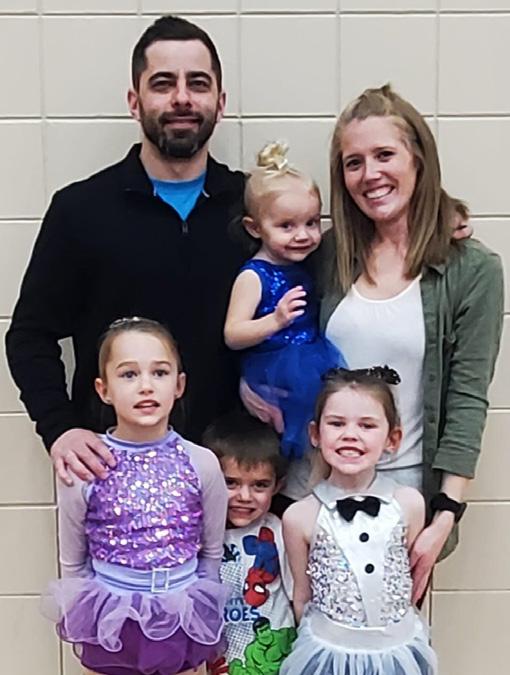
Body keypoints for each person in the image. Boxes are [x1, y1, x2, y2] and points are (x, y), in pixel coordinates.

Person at [5, 15, 246, 486]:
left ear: (220, 103)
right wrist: (60, 428)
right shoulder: (80, 210)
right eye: (163, 83)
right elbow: (30, 336)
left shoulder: (255, 210)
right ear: (135, 102)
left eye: (198, 83)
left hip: (237, 479)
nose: (181, 98)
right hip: (114, 479)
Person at [321, 84, 504, 601]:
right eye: (353, 163)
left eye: (385, 155)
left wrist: (445, 513)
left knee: (387, 640)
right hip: (314, 492)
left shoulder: (472, 269)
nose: (370, 174)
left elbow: (468, 398)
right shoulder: (328, 254)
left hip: (404, 503)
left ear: (418, 159)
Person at [41, 317, 229, 675]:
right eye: (128, 374)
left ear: (179, 384)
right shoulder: (86, 467)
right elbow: (73, 561)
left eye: (160, 373)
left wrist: (199, 603)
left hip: (180, 617)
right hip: (112, 619)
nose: (146, 386)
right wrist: (87, 614)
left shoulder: (202, 463)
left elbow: (211, 551)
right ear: (104, 390)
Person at [281, 367, 437, 675]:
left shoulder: (409, 504)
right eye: (336, 423)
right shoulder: (299, 516)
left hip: (397, 656)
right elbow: (302, 596)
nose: (350, 434)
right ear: (315, 434)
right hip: (328, 657)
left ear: (392, 438)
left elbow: (407, 581)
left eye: (367, 425)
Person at [224, 142, 345, 459]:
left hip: (313, 357)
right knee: (285, 442)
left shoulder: (306, 263)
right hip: (275, 367)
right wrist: (274, 320)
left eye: (312, 222)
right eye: (286, 226)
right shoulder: (254, 276)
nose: (303, 235)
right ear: (254, 228)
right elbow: (233, 334)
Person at [203, 411, 296, 675]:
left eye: (260, 485)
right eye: (231, 483)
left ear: (278, 486)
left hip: (274, 664)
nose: (244, 496)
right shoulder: (197, 534)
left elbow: (299, 598)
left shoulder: (281, 531)